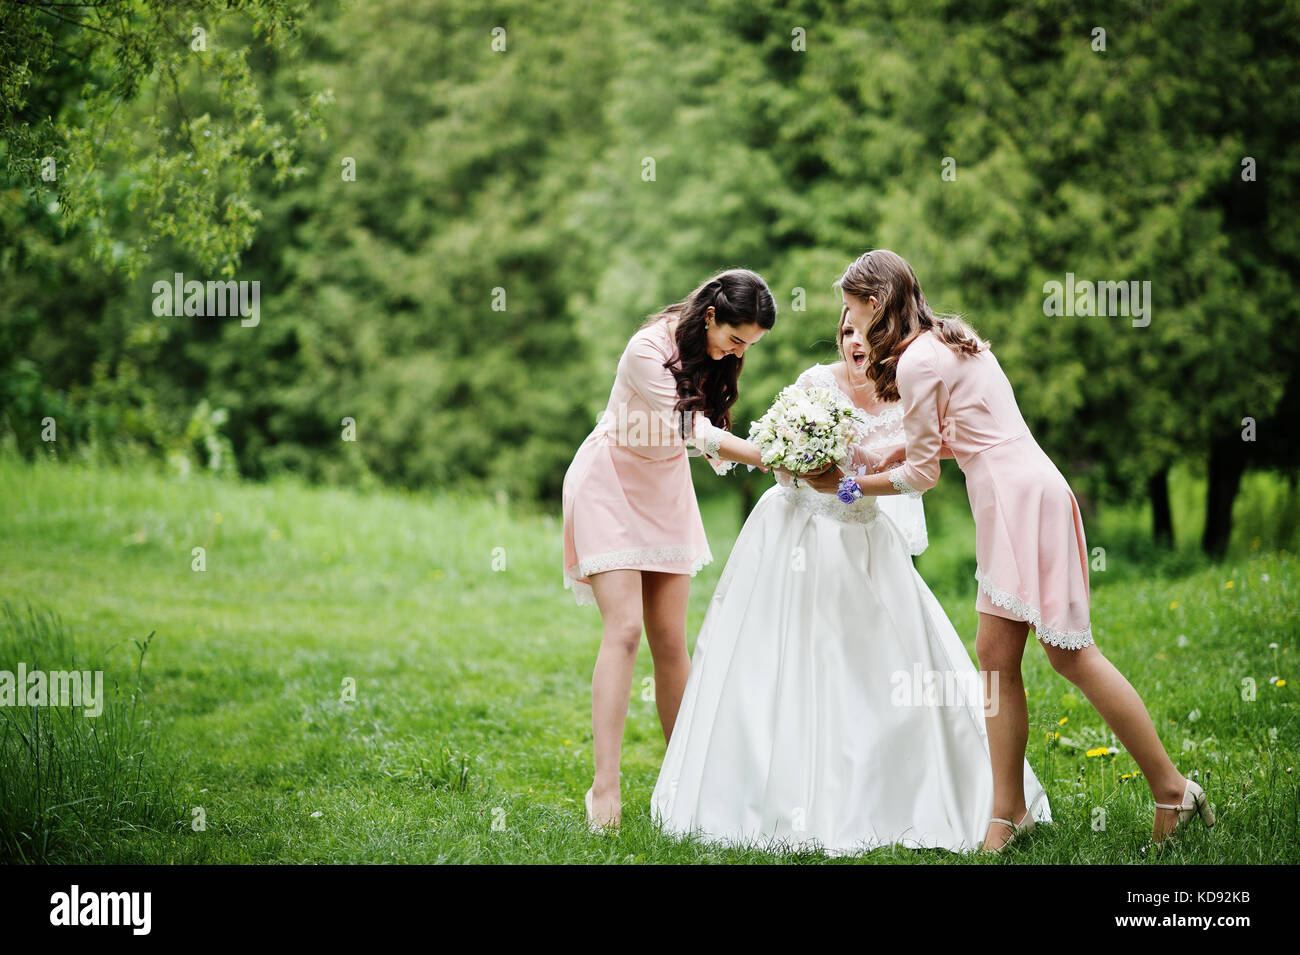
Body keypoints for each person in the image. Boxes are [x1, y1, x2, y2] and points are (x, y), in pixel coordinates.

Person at [804, 249, 1214, 849]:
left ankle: (1173, 791)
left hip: (1020, 501)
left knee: (1071, 654)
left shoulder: (918, 361)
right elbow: (971, 433)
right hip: (1017, 491)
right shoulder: (950, 336)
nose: (851, 324)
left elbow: (922, 478)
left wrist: (845, 485)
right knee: (995, 658)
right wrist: (898, 455)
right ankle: (1008, 812)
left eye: (850, 310)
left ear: (874, 303)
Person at [650, 306, 1051, 854]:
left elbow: (913, 477)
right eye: (844, 331)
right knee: (779, 661)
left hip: (864, 537)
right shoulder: (815, 383)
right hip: (793, 533)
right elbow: (779, 449)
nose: (852, 341)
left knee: (884, 663)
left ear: (884, 337)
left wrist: (845, 488)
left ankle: (908, 789)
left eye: (863, 332)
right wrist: (795, 463)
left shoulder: (907, 389)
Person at [562, 269, 776, 830]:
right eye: (736, 339)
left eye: (749, 346)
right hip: (610, 482)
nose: (738, 353)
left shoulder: (718, 352)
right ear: (711, 315)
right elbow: (692, 428)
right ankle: (603, 791)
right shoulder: (647, 349)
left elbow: (704, 431)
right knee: (625, 629)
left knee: (670, 641)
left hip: (664, 491)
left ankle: (686, 788)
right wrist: (767, 455)